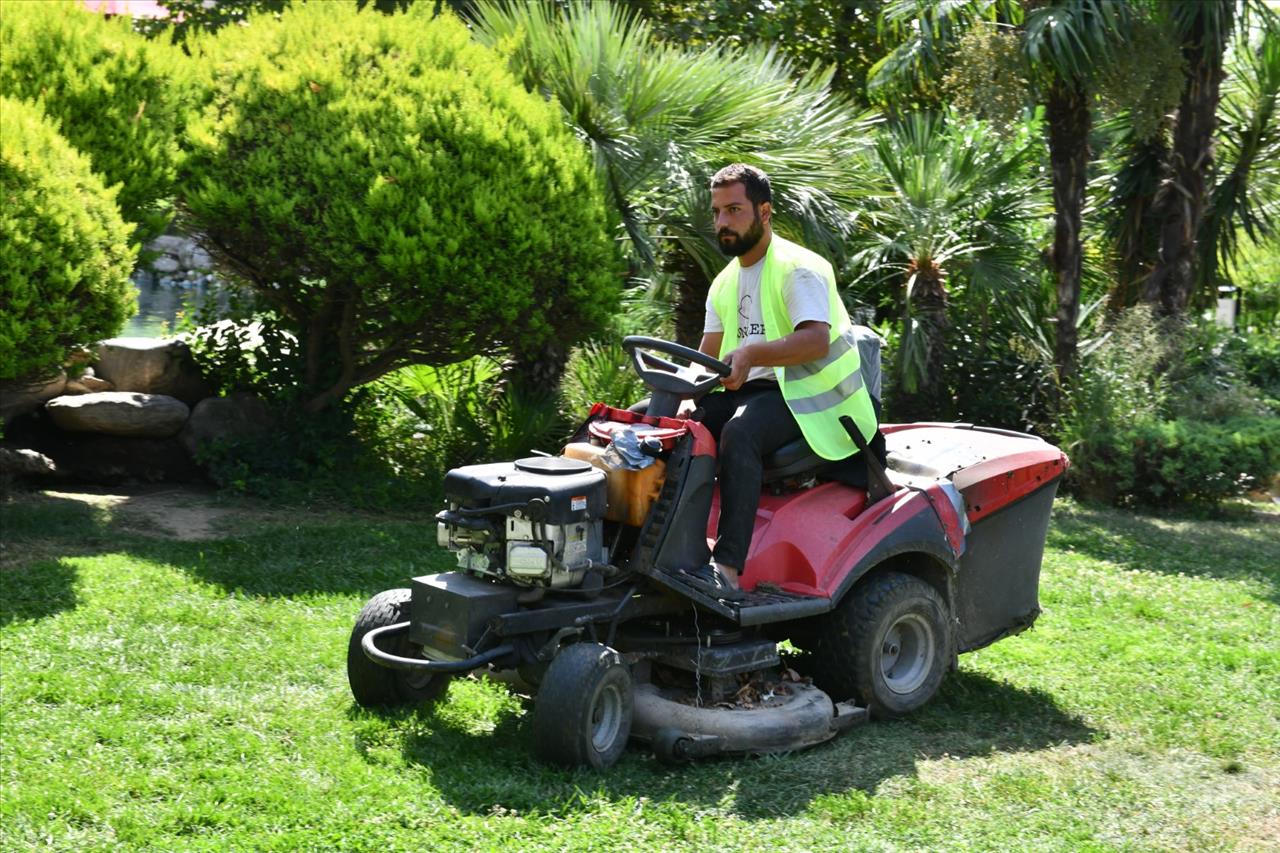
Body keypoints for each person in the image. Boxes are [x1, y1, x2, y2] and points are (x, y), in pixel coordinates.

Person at [688, 163, 878, 598]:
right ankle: (669, 546)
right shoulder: (723, 284)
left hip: (814, 398)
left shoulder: (800, 269)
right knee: (668, 427)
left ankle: (728, 567)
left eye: (734, 210)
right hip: (756, 390)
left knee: (741, 432)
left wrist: (751, 353)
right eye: (717, 212)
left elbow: (814, 341)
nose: (722, 223)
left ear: (765, 212)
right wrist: (680, 396)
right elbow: (707, 355)